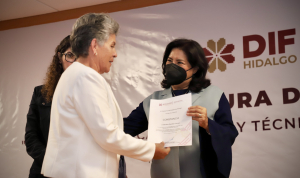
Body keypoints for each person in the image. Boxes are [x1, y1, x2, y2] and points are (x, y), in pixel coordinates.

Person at [41, 13, 170, 178]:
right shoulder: (85, 76)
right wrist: (151, 150)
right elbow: (108, 135)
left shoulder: (73, 74)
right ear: (94, 46)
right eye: (112, 45)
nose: (115, 53)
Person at [124, 38, 239, 178]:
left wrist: (208, 125)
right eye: (169, 61)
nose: (172, 66)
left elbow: (230, 133)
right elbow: (125, 128)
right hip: (162, 173)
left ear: (195, 69)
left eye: (179, 63)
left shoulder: (215, 95)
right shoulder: (153, 100)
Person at [25, 35, 76, 178]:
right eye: (70, 55)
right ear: (60, 57)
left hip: (78, 171)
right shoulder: (40, 93)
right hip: (44, 170)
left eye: (79, 56)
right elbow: (31, 137)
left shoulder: (91, 92)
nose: (74, 61)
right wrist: (52, 161)